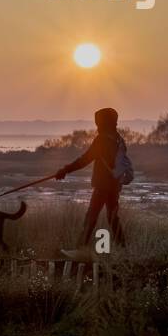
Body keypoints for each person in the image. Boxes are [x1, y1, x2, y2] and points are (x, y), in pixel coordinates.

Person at [55, 107, 127, 256]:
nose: (97, 126)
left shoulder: (102, 140)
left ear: (104, 122)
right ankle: (123, 250)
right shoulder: (119, 140)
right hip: (115, 186)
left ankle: (80, 250)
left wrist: (65, 170)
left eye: (98, 123)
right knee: (113, 218)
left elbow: (85, 159)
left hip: (102, 186)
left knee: (91, 217)